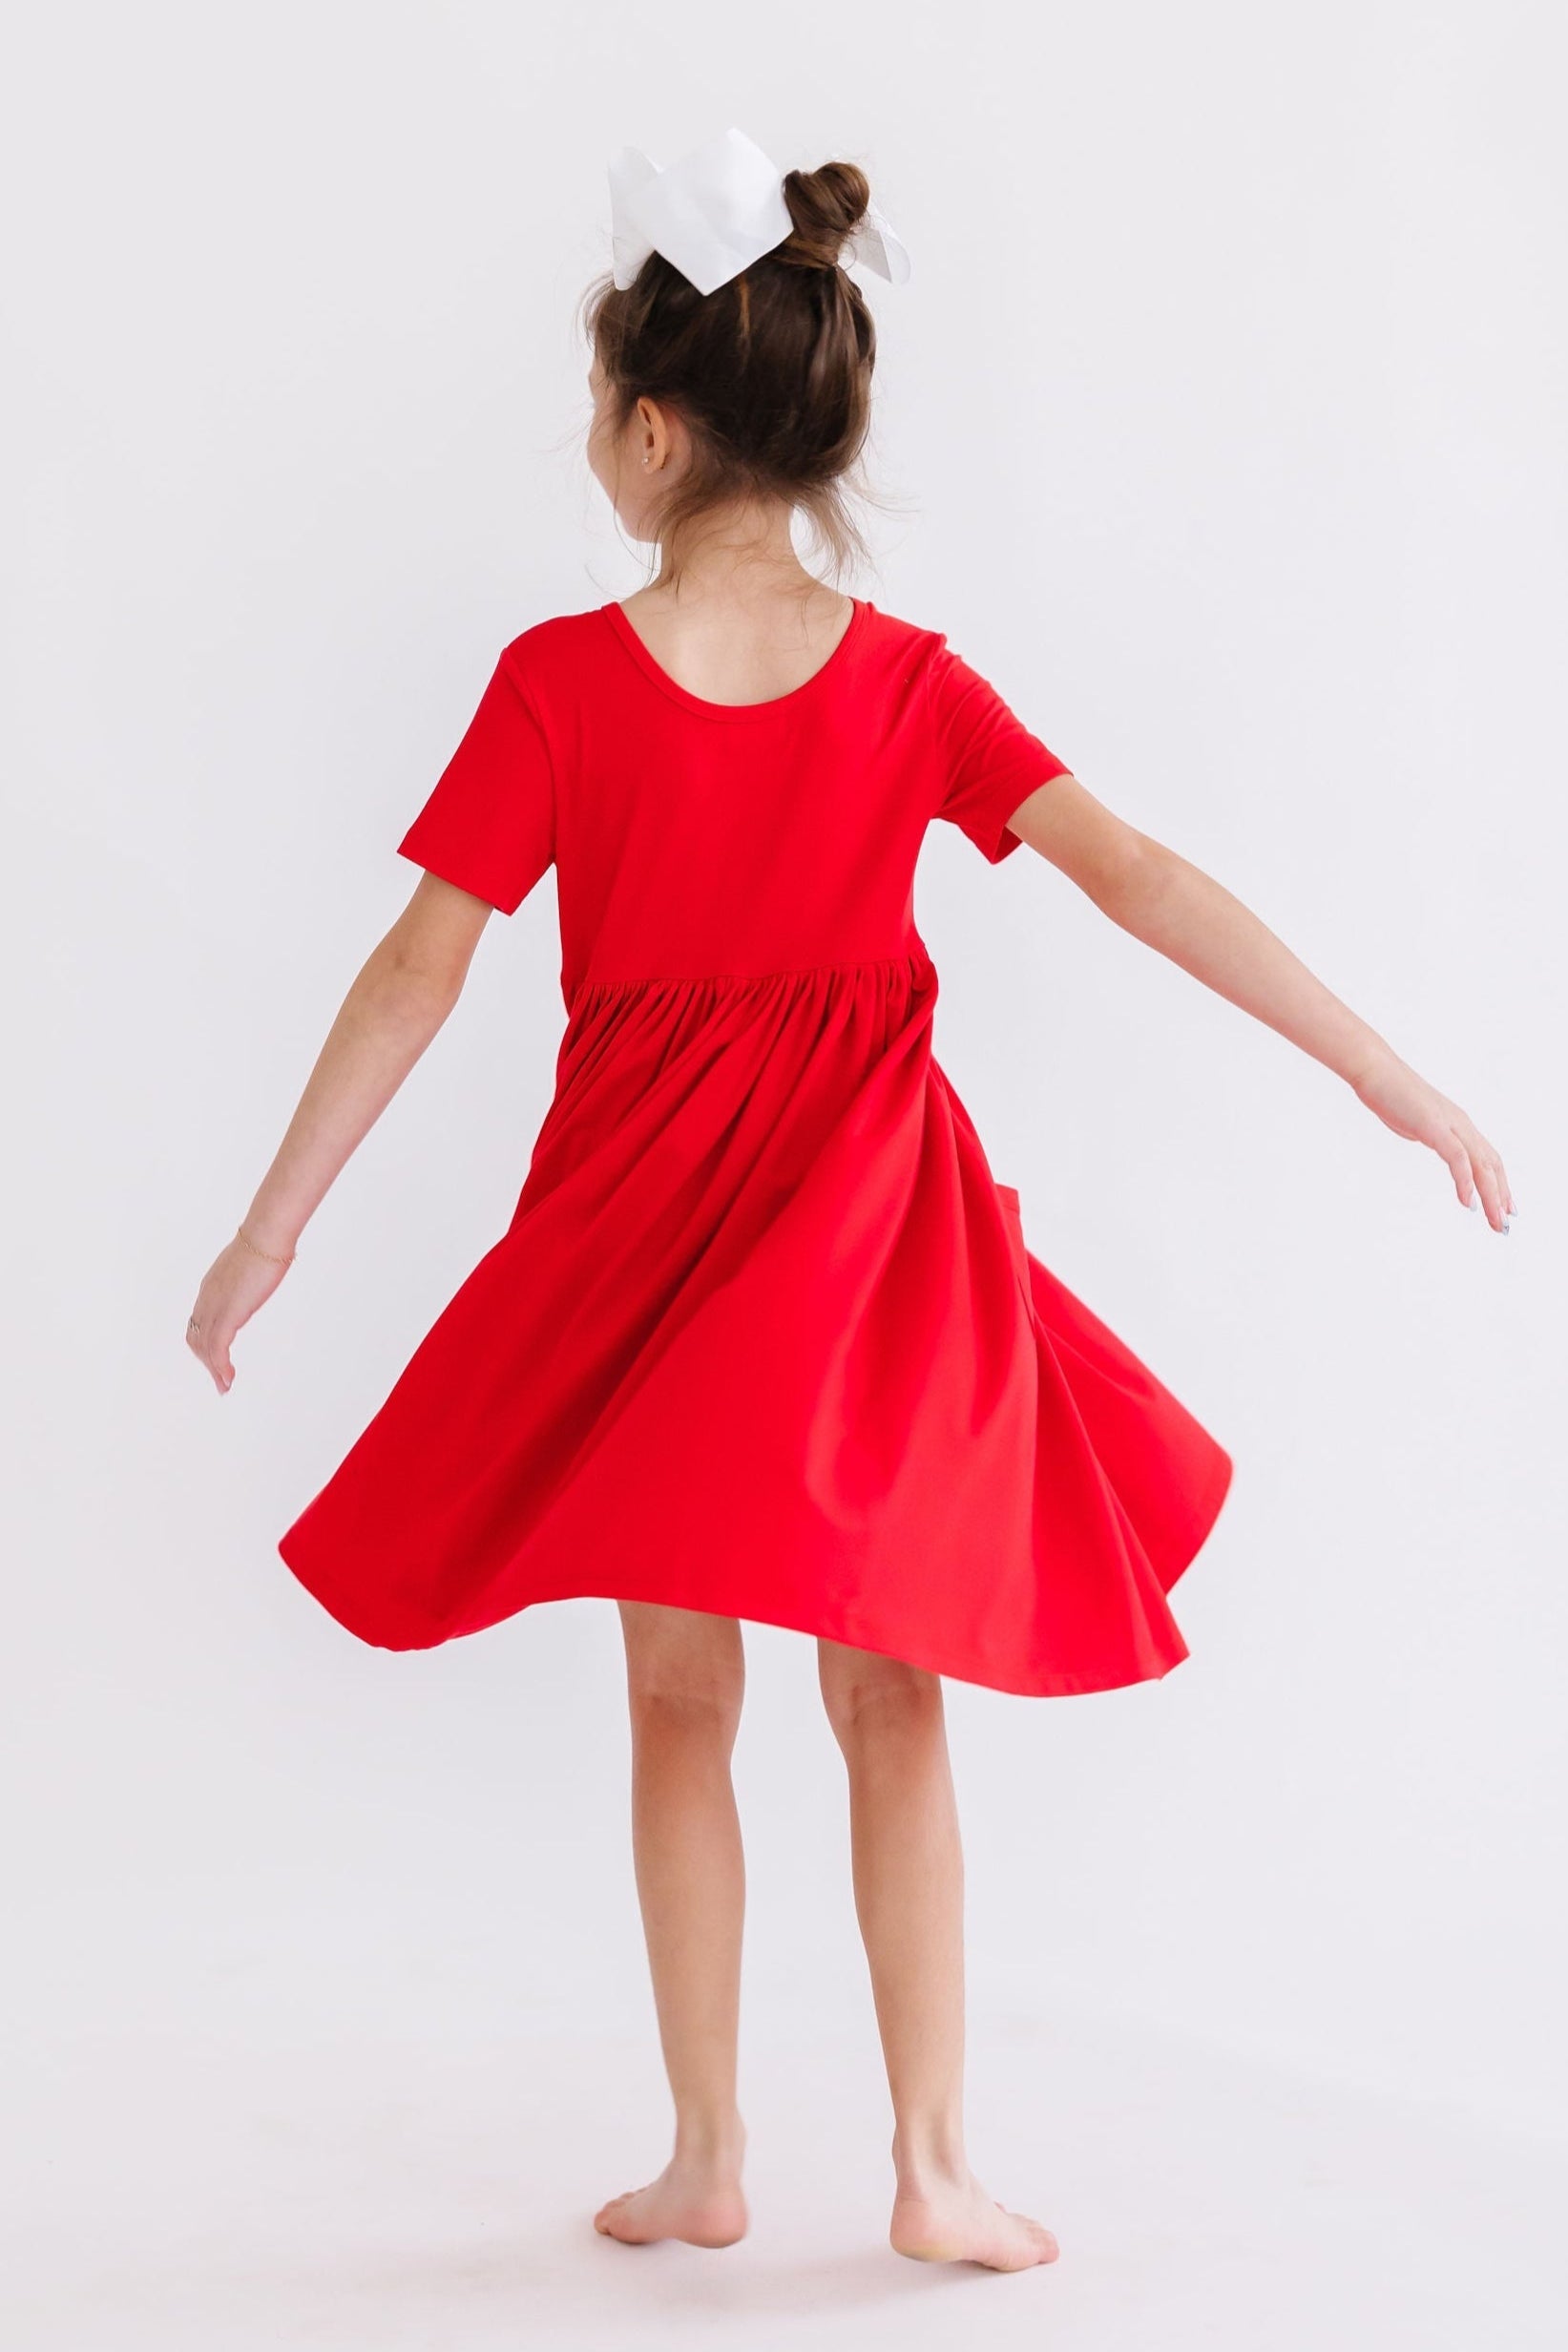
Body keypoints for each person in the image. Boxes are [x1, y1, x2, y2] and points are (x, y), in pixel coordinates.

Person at [184, 134, 1514, 2274]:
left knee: (676, 1698)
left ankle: (709, 2153)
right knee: (895, 1694)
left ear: (648, 428)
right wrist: (1386, 1072)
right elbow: (1138, 874)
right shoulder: (907, 683)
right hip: (867, 1247)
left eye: (598, 403)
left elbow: (418, 966)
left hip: (651, 1234)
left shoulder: (560, 682)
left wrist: (273, 1229)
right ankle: (933, 2164)